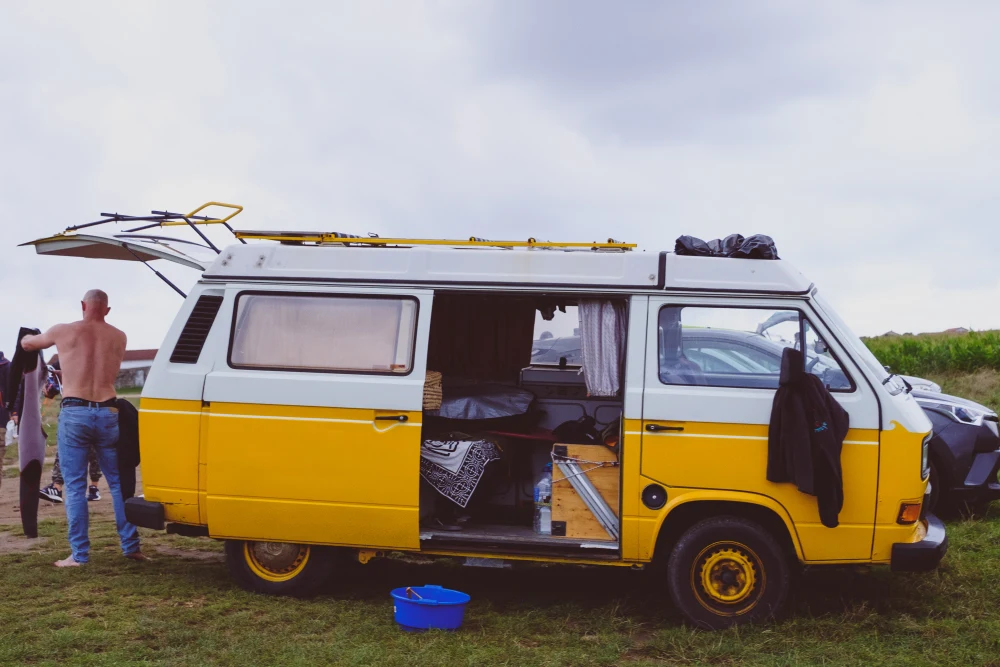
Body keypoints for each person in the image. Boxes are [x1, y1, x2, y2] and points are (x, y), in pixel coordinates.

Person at [21, 289, 147, 567]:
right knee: (117, 485)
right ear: (107, 310)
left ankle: (79, 556)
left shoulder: (63, 331)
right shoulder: (119, 336)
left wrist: (26, 337)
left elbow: (30, 344)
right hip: (107, 412)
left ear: (82, 305)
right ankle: (131, 546)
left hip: (75, 411)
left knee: (75, 486)